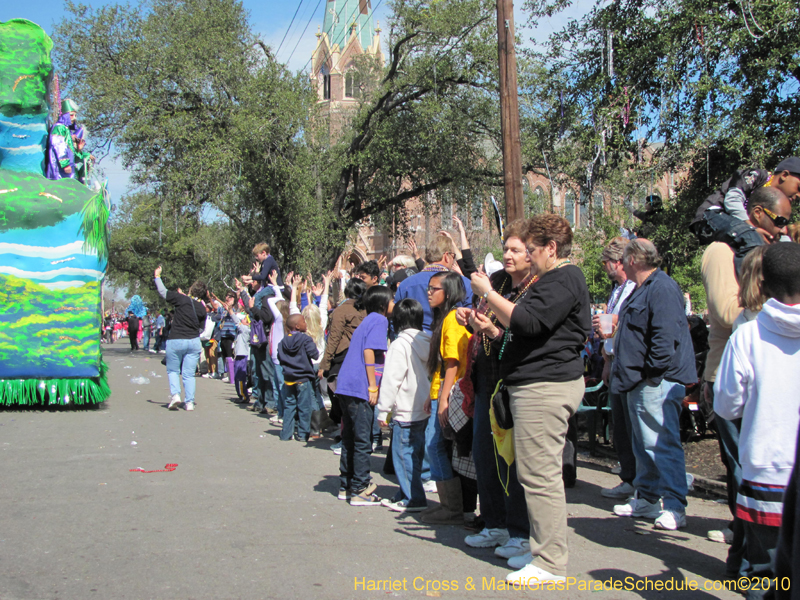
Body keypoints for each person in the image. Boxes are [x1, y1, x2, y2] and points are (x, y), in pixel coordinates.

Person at [469, 214, 590, 585]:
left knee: (540, 477)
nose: (528, 256)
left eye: (531, 249)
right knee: (533, 474)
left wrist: (488, 294)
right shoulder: (554, 278)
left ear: (551, 249)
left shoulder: (565, 277)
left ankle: (550, 562)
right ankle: (537, 546)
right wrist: (493, 327)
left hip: (546, 387)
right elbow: (526, 327)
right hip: (535, 385)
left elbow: (529, 322)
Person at [700, 187, 790, 567]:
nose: (784, 229)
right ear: (756, 213)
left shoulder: (770, 252)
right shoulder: (723, 251)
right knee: (743, 469)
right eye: (780, 220)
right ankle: (751, 560)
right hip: (731, 370)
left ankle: (743, 558)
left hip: (768, 372)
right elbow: (726, 312)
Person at [714, 242, 800, 599]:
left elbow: (727, 405)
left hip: (766, 469)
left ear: (760, 284)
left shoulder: (747, 336)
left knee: (765, 574)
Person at [455, 219, 533, 559]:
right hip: (485, 376)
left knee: (513, 460)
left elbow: (518, 329)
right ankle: (495, 523)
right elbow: (478, 284)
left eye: (516, 250)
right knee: (484, 454)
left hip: (514, 378)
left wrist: (491, 328)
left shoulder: (535, 288)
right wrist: (472, 320)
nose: (508, 255)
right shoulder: (500, 280)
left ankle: (520, 531)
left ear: (533, 254)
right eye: (506, 249)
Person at [611, 239, 697, 530]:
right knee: (643, 443)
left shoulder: (661, 288)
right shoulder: (643, 288)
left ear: (634, 259)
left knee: (661, 443)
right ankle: (647, 498)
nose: (620, 263)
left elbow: (665, 338)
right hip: (641, 381)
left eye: (624, 258)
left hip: (656, 382)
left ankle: (674, 505)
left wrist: (651, 374)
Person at [334, 285, 393, 506]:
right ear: (382, 303)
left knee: (349, 438)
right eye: (391, 300)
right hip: (360, 386)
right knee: (361, 440)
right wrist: (372, 386)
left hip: (346, 385)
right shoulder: (379, 320)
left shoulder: (366, 320)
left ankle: (346, 484)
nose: (394, 304)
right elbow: (370, 350)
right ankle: (360, 488)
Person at [690, 157, 800, 274]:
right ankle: (748, 281)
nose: (799, 195)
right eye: (799, 188)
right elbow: (732, 200)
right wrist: (752, 228)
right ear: (784, 175)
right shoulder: (757, 176)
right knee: (751, 238)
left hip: (737, 225)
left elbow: (779, 231)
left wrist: (790, 251)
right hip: (712, 216)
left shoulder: (777, 202)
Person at [376, 299, 432, 512]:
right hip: (423, 408)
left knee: (403, 455)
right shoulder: (428, 340)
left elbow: (392, 380)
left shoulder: (399, 344)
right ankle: (406, 491)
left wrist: (383, 409)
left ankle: (413, 498)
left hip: (405, 410)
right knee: (415, 456)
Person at [593, 237, 637, 500]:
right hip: (614, 358)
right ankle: (629, 478)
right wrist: (606, 361)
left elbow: (630, 319)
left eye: (606, 263)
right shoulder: (617, 290)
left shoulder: (634, 288)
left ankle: (642, 484)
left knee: (633, 426)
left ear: (618, 262)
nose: (604, 267)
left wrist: (613, 321)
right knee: (620, 424)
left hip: (630, 361)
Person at [319, 278, 367, 441]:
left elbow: (333, 339)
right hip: (363, 356)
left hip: (343, 356)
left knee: (342, 398)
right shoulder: (366, 309)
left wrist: (325, 364)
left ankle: (345, 434)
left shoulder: (341, 310)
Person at [154, 266, 208, 411]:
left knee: (173, 370)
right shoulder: (202, 308)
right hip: (193, 342)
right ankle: (189, 402)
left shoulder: (181, 299)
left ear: (191, 290)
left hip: (176, 339)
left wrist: (157, 277)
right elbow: (202, 328)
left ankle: (176, 395)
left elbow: (163, 292)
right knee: (189, 374)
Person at [394, 234, 473, 333]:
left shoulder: (406, 284)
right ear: (446, 256)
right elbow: (471, 319)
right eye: (453, 256)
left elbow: (395, 320)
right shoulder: (464, 283)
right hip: (449, 342)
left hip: (413, 344)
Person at [278, 314, 320, 442]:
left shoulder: (283, 341)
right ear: (297, 326)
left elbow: (280, 358)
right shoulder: (305, 340)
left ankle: (286, 433)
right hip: (303, 378)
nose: (306, 324)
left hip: (288, 378)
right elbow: (315, 355)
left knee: (289, 405)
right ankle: (302, 434)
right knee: (304, 407)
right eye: (303, 322)